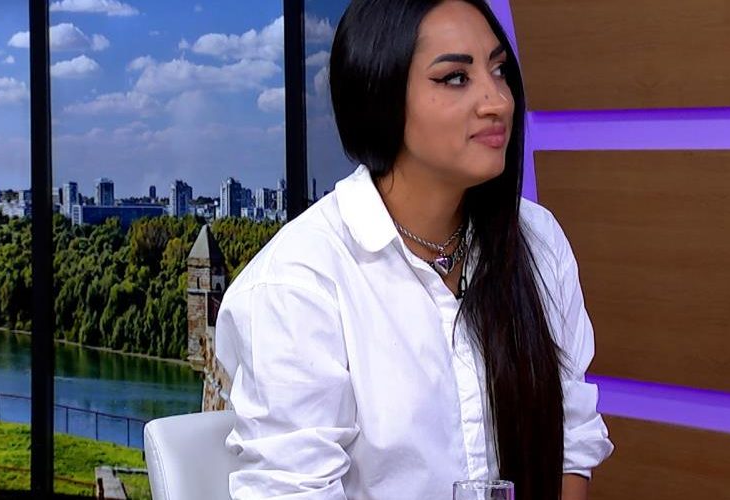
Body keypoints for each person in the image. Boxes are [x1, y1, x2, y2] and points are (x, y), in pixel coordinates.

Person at [215, 0, 613, 498]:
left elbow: (570, 442)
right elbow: (294, 488)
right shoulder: (298, 283)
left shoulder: (537, 240)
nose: (497, 101)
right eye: (455, 78)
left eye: (498, 70)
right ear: (379, 95)